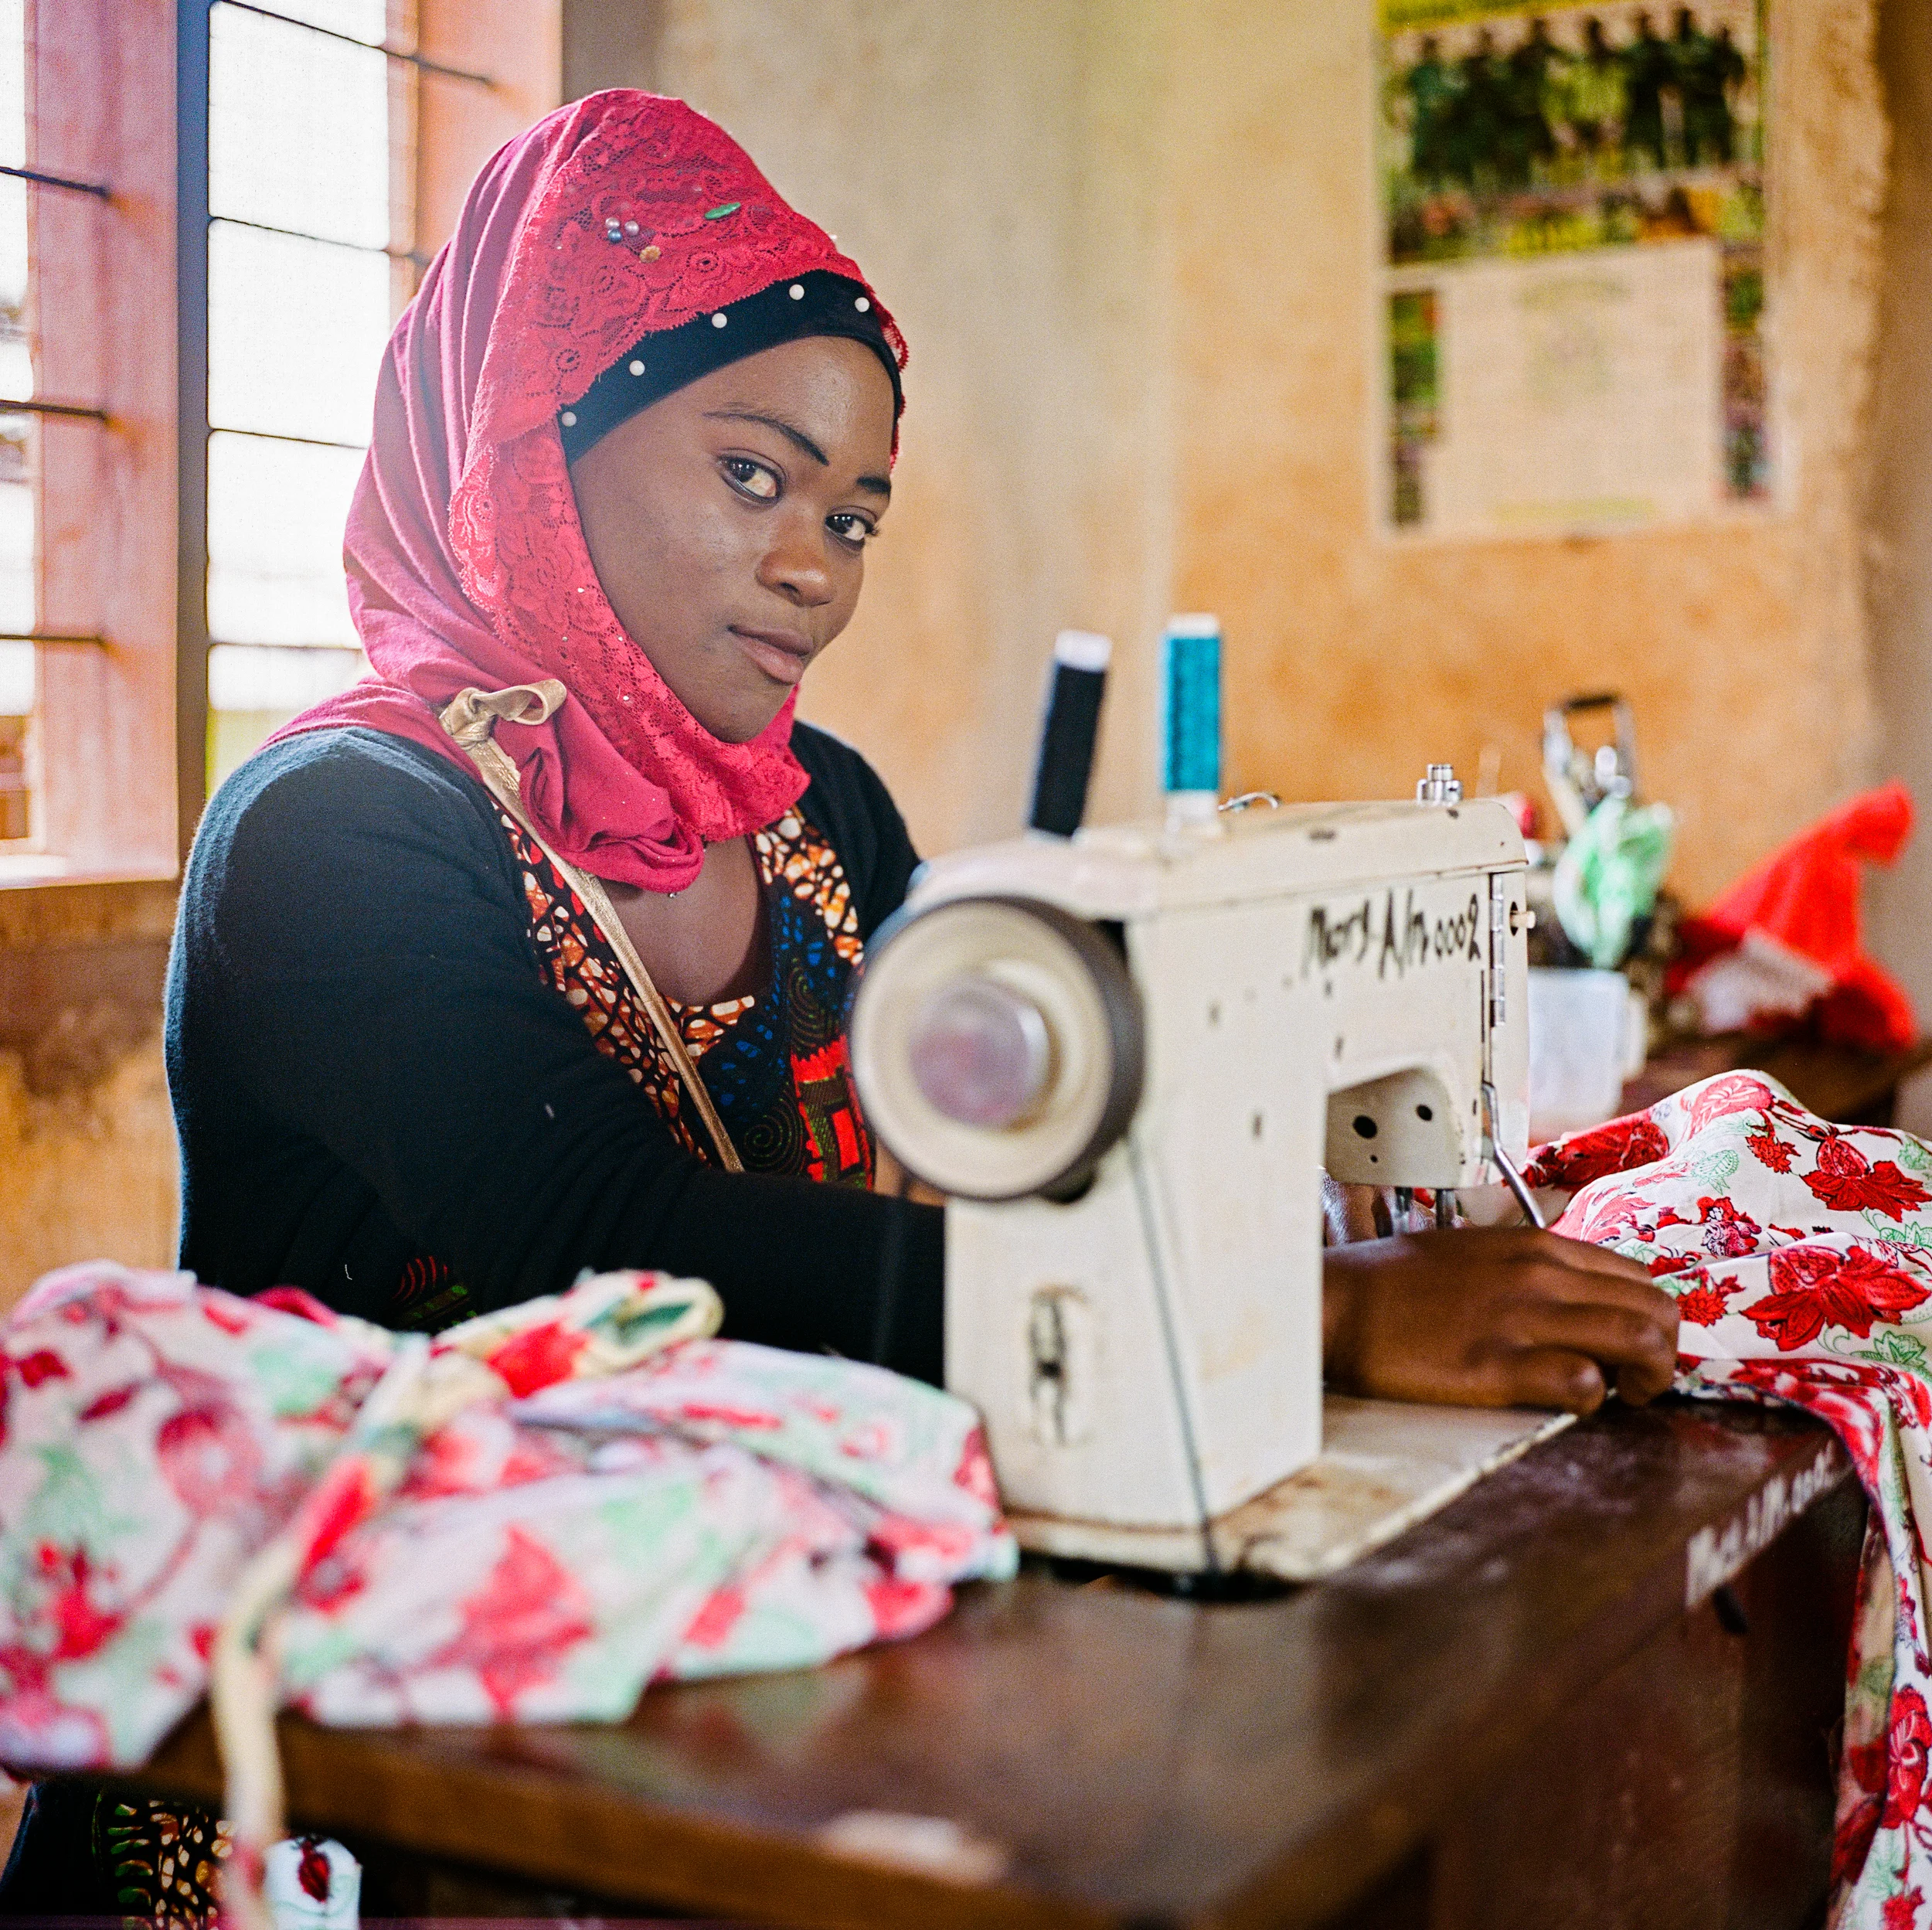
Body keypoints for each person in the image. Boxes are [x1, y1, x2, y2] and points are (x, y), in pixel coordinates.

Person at [0, 88, 1679, 1910]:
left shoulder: (821, 812)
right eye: (753, 475)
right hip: (332, 1773)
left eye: (859, 514)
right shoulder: (338, 830)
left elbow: (990, 1157)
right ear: (533, 439)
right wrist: (1289, 1320)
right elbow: (599, 1242)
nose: (817, 566)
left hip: (705, 1661)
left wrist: (1290, 1215)